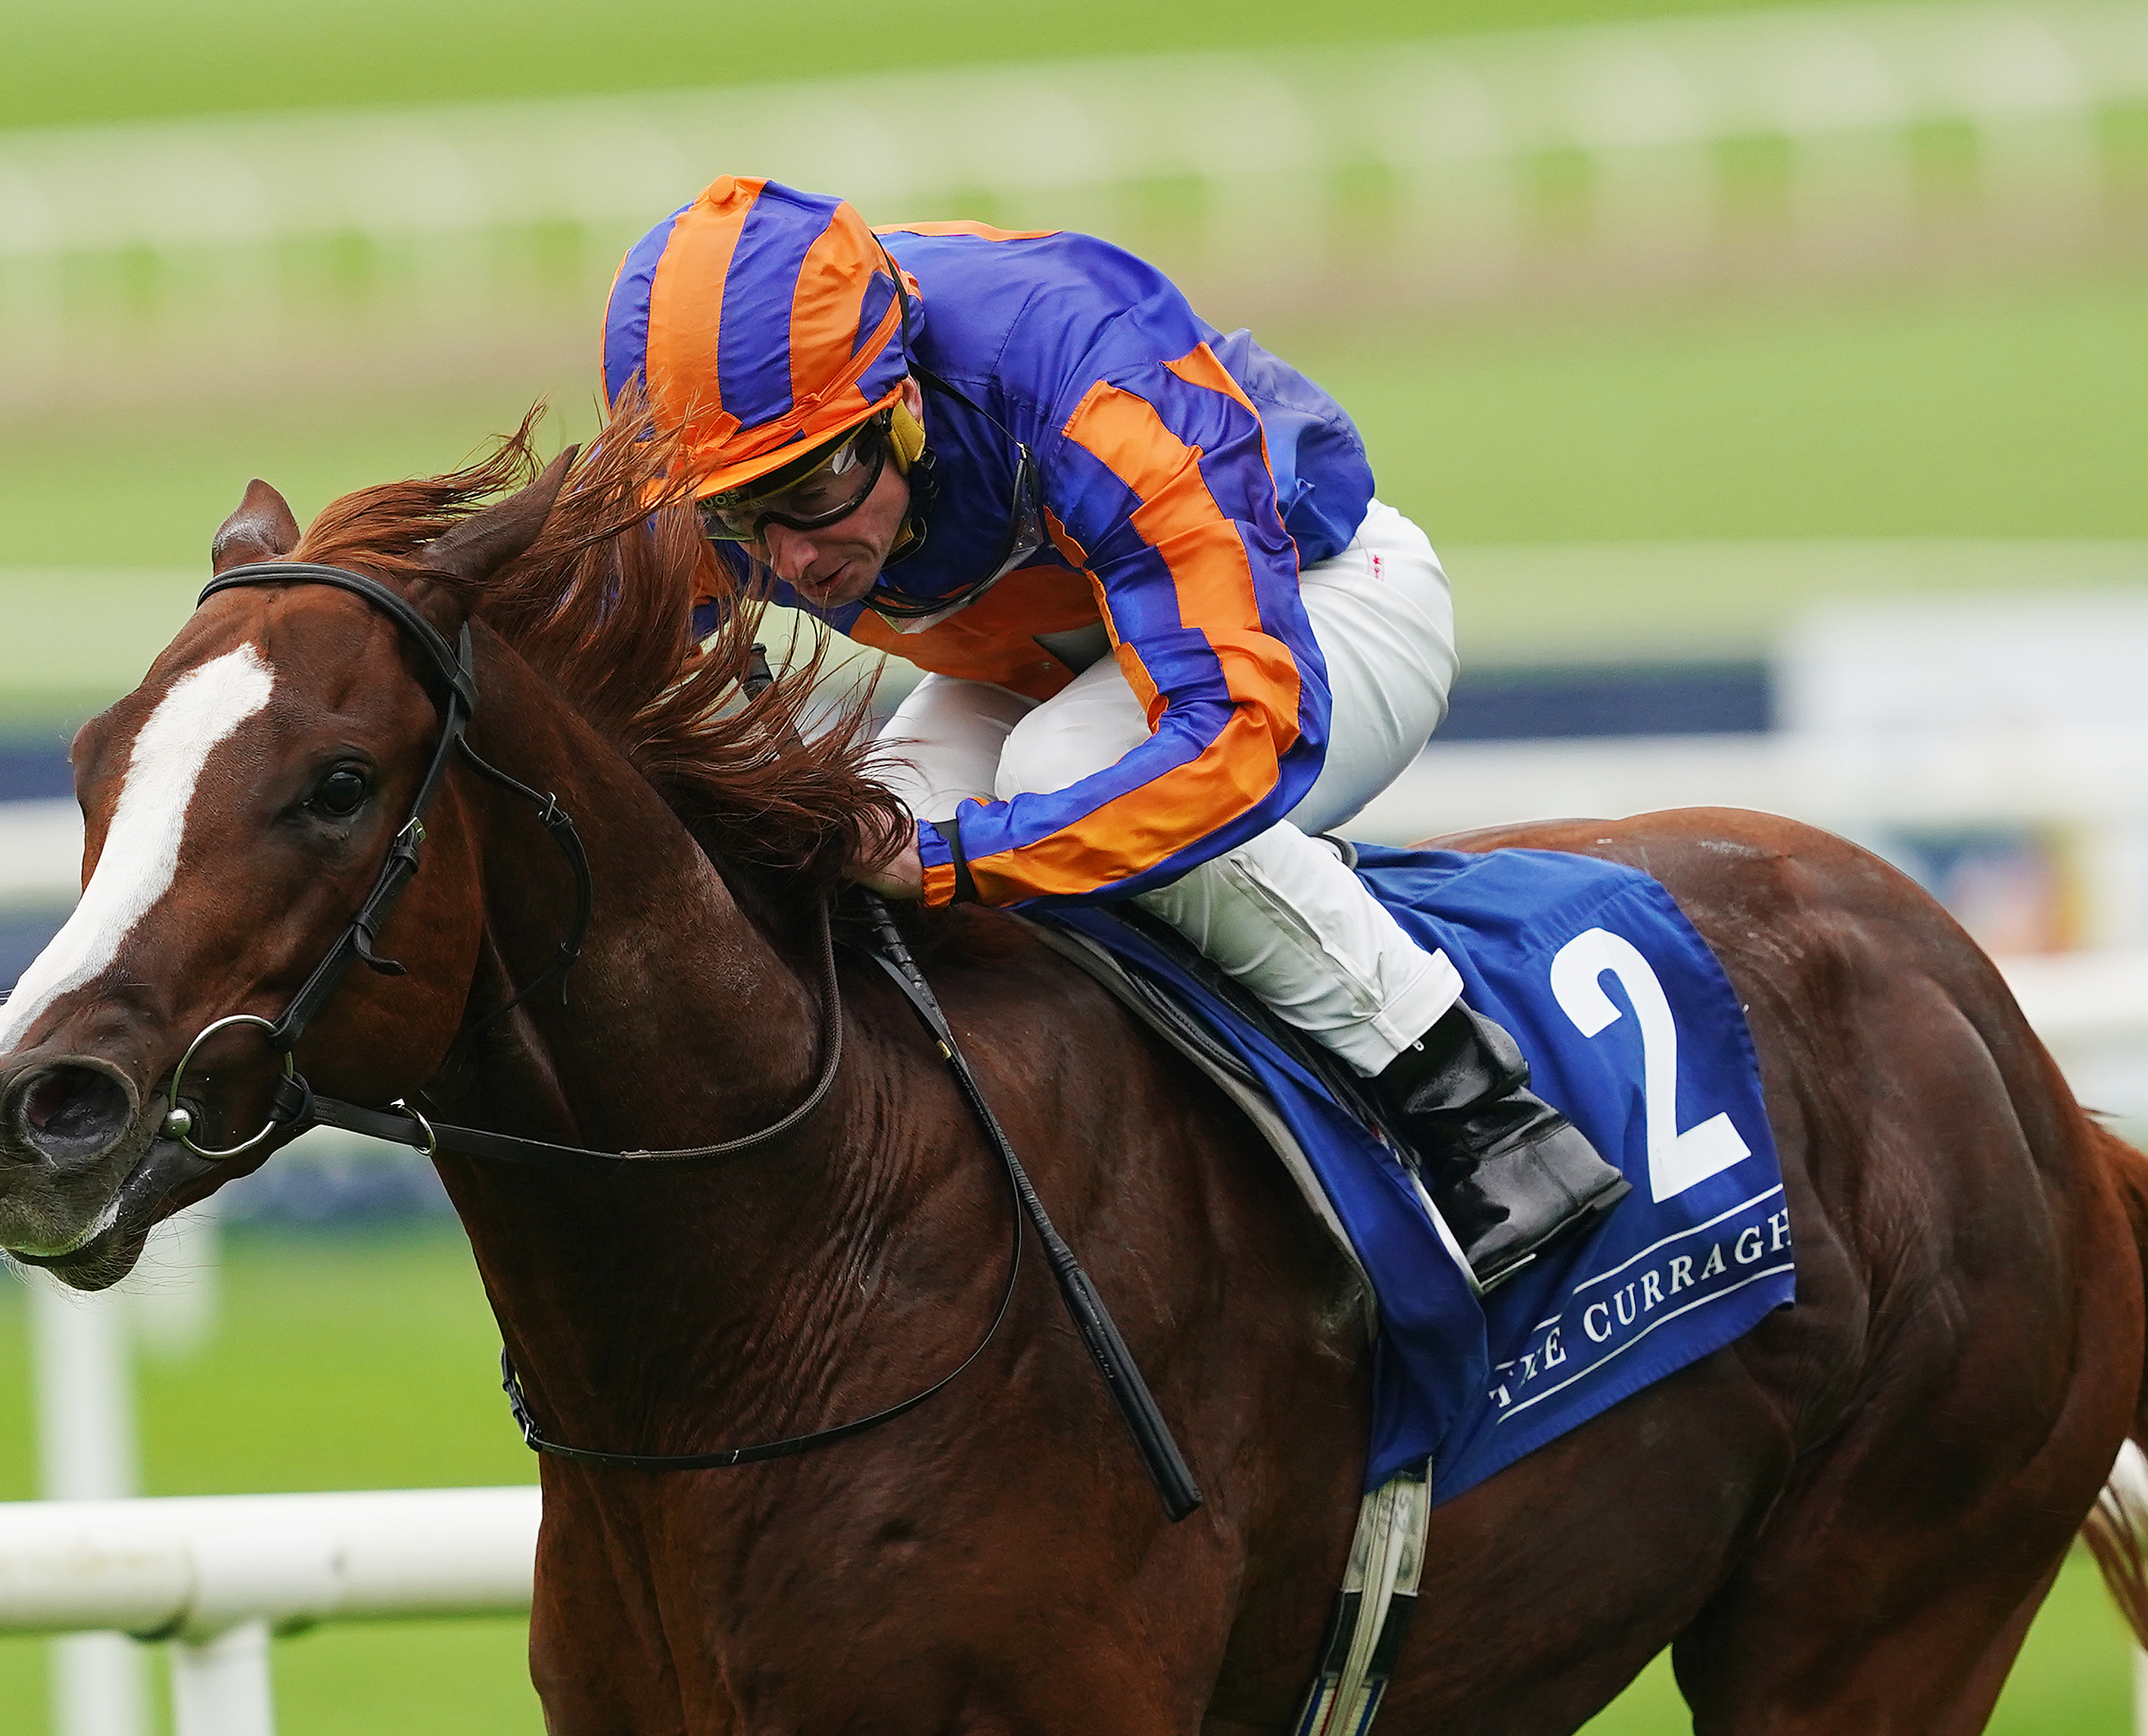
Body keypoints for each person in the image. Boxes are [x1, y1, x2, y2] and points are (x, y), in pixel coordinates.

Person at [601, 176, 1623, 1290]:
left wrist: (962, 859)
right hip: (1044, 660)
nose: (789, 557)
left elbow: (1238, 735)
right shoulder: (698, 464)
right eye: (735, 514)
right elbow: (603, 679)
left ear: (900, 409)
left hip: (1316, 604)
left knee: (1060, 773)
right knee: (866, 827)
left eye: (813, 492)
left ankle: (1473, 1103)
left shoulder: (1084, 367)